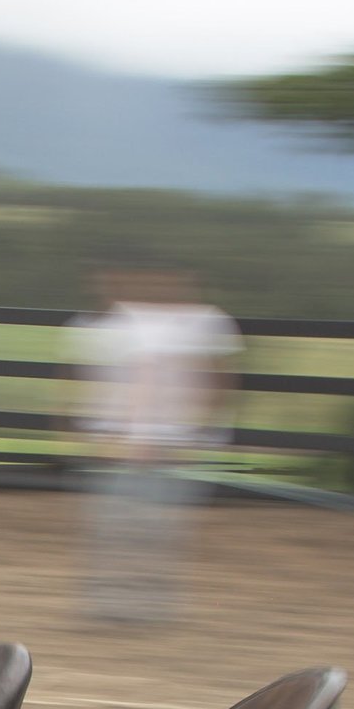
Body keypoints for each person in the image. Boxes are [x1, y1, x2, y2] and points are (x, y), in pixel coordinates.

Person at [71, 267, 243, 623]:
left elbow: (153, 382)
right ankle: (126, 602)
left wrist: (142, 436)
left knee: (140, 524)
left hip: (151, 445)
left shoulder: (174, 324)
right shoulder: (125, 323)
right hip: (140, 444)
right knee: (134, 524)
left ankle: (134, 603)